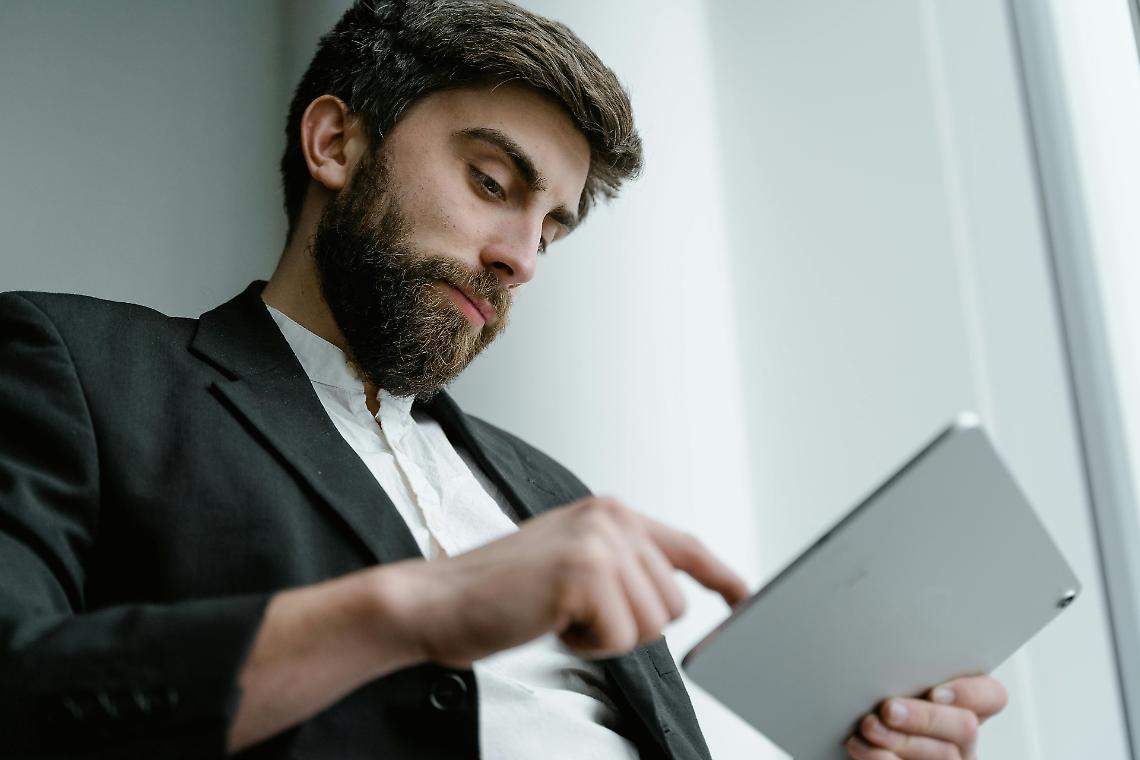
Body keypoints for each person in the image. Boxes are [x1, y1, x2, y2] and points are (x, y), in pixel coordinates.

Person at [0, 1, 1007, 758]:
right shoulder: (76, 366)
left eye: (550, 227)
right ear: (335, 143)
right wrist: (423, 608)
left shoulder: (554, 495)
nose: (521, 256)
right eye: (492, 184)